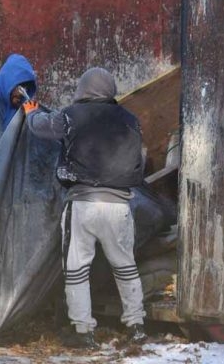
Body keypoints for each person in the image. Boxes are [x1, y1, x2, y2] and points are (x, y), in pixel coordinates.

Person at [22, 67, 147, 349]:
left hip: (83, 203)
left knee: (77, 268)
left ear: (83, 90)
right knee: (125, 266)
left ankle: (83, 331)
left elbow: (42, 127)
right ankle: (137, 325)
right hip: (120, 206)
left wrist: (31, 112)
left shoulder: (72, 116)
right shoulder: (130, 120)